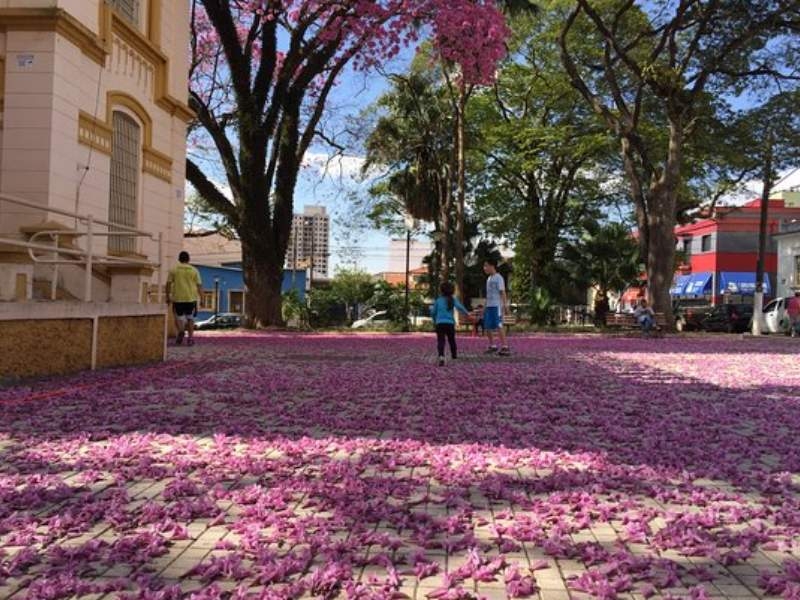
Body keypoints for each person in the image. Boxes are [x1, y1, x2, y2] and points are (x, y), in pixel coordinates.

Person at [166, 251, 203, 346]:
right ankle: (190, 338)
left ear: (179, 259)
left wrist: (167, 296)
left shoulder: (173, 270)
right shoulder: (194, 270)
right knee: (190, 319)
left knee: (178, 318)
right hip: (191, 299)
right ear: (188, 259)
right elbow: (199, 285)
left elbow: (168, 284)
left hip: (178, 298)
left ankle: (181, 331)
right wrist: (202, 298)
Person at [430, 282, 470, 366]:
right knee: (451, 339)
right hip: (450, 323)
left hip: (439, 323)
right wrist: (468, 314)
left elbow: (433, 312)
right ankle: (454, 355)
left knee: (441, 340)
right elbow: (460, 307)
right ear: (452, 291)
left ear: (441, 291)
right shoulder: (453, 299)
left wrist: (434, 320)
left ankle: (441, 356)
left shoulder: (438, 300)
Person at [483, 259, 511, 356]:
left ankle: (505, 347)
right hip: (489, 306)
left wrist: (505, 306)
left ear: (492, 266)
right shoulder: (488, 279)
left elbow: (502, 292)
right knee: (487, 326)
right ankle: (492, 345)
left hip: (496, 305)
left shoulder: (499, 278)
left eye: (486, 266)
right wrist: (485, 306)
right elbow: (488, 294)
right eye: (484, 266)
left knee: (499, 325)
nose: (484, 268)